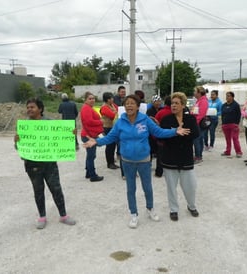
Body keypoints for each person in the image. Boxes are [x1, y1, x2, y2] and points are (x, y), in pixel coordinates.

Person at [83, 94, 190, 229]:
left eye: (132, 103)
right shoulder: (120, 122)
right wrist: (96, 142)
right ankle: (133, 214)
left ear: (138, 106)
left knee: (147, 187)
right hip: (127, 161)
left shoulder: (145, 120)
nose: (129, 106)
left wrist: (175, 131)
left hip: (144, 160)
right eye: (127, 103)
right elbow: (110, 137)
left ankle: (150, 208)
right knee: (130, 189)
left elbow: (159, 132)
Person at [14, 98, 76, 229]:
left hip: (49, 164)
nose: (29, 110)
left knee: (56, 189)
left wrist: (70, 134)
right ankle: (42, 217)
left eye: (32, 107)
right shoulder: (25, 126)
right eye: (28, 107)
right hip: (32, 165)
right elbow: (18, 148)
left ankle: (63, 215)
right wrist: (17, 141)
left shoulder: (50, 123)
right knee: (38, 190)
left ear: (40, 109)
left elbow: (62, 138)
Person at [159, 92, 200, 221]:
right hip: (169, 157)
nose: (174, 106)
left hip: (186, 157)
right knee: (171, 187)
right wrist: (177, 133)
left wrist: (176, 134)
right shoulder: (166, 120)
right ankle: (173, 209)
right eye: (172, 103)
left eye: (177, 103)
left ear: (183, 105)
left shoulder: (190, 119)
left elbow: (195, 134)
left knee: (190, 185)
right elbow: (162, 136)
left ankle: (191, 206)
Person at [80, 92, 104, 182]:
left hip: (89, 134)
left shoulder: (88, 108)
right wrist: (100, 122)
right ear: (85, 100)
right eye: (90, 98)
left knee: (90, 155)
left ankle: (88, 173)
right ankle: (93, 175)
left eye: (93, 98)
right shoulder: (86, 108)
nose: (92, 100)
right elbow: (89, 121)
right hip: (89, 135)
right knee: (91, 156)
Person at [100, 92, 119, 169]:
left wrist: (115, 112)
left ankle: (112, 160)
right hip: (107, 127)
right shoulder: (104, 107)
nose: (113, 99)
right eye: (111, 98)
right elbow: (112, 116)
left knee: (113, 144)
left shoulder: (112, 105)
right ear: (107, 100)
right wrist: (115, 112)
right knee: (110, 145)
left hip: (113, 126)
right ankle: (109, 163)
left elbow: (117, 110)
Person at [221, 92, 242, 158]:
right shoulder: (223, 105)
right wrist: (223, 123)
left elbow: (239, 115)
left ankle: (238, 152)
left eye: (229, 96)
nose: (227, 97)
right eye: (226, 96)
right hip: (225, 124)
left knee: (235, 138)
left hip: (233, 124)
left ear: (232, 97)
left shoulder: (236, 105)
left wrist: (236, 124)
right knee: (227, 139)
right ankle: (228, 151)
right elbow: (222, 115)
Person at [191, 86, 208, 164]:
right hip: (196, 123)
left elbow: (201, 114)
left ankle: (198, 156)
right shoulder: (199, 101)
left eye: (195, 91)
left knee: (197, 140)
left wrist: (195, 123)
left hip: (199, 123)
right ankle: (198, 155)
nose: (194, 93)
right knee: (198, 140)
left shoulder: (203, 101)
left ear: (199, 93)